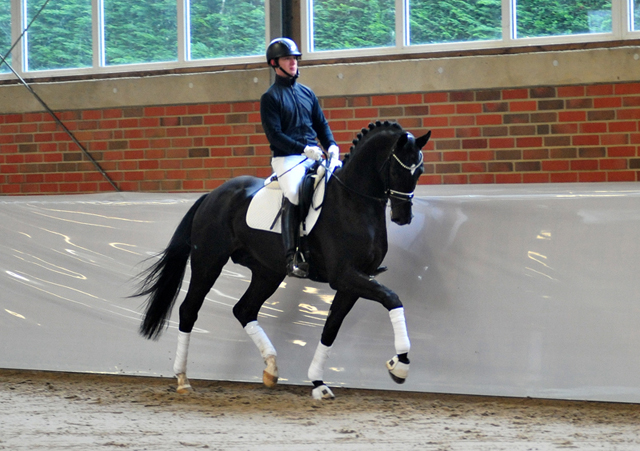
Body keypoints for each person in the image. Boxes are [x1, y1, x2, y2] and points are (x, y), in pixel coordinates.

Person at [260, 37, 340, 278]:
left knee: (340, 183)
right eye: (287, 59)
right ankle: (292, 255)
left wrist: (332, 145)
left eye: (295, 58)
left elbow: (321, 124)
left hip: (313, 155)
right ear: (275, 63)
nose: (293, 62)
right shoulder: (270, 98)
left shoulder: (307, 93)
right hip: (287, 159)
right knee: (295, 193)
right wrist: (303, 149)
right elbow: (275, 136)